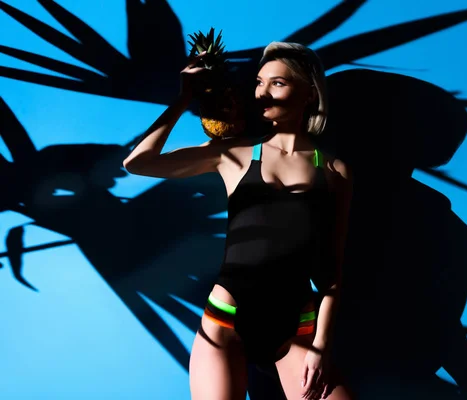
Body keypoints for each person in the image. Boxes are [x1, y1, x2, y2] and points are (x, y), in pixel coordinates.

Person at [123, 41, 354, 400]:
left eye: (277, 83)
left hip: (297, 327)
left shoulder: (335, 171)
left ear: (309, 92)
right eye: (259, 82)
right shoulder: (235, 152)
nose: (262, 93)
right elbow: (138, 162)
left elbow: (332, 272)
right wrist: (185, 98)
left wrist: (321, 347)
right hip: (225, 322)